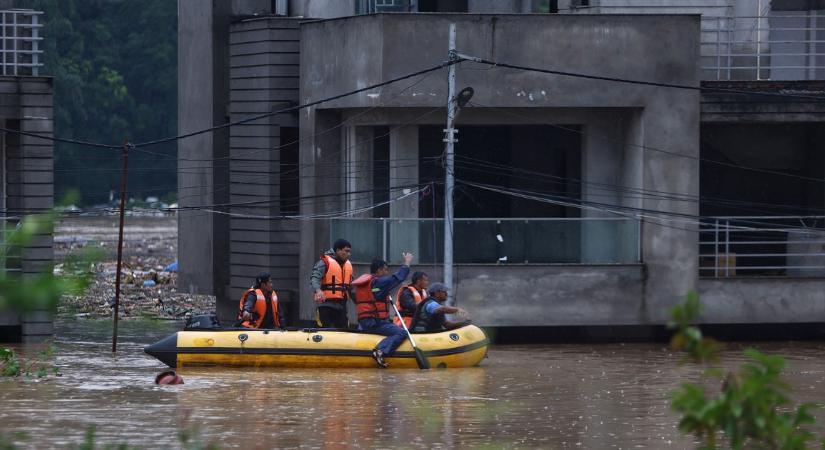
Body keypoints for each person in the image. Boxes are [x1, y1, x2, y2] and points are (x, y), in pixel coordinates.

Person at [353, 253, 414, 368]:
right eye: (385, 270)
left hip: (364, 322)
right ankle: (380, 350)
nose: (386, 273)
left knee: (392, 325)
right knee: (402, 332)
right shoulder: (379, 282)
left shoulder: (366, 284)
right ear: (379, 270)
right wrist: (407, 262)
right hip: (374, 322)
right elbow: (398, 277)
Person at [311, 239, 354, 328]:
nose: (348, 254)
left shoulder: (348, 265)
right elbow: (315, 278)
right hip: (326, 304)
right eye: (346, 251)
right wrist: (318, 291)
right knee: (326, 330)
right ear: (338, 250)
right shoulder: (324, 262)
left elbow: (351, 286)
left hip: (342, 305)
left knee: (345, 330)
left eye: (349, 252)